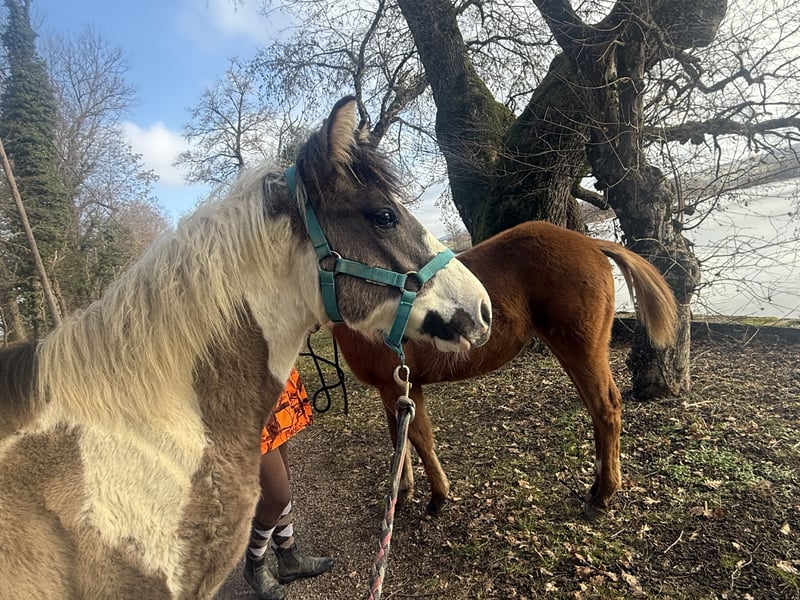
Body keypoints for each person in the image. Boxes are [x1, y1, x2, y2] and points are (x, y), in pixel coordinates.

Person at [243, 367, 334, 600]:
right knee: (276, 495)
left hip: (271, 377)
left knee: (283, 475)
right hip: (243, 392)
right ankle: (254, 563)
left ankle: (288, 557)